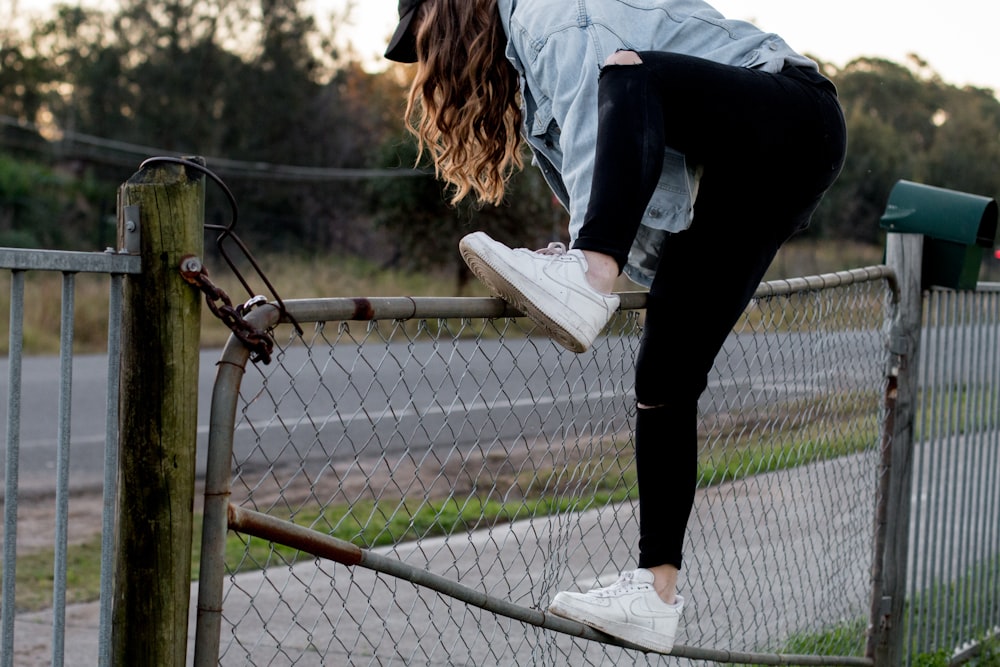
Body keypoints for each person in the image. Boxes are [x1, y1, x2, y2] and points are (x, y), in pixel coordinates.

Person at [385, 0, 847, 654]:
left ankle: (589, 273)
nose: (432, 57)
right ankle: (655, 594)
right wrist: (586, 245)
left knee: (630, 74)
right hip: (748, 171)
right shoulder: (525, 54)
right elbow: (623, 150)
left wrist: (589, 256)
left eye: (427, 35)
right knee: (664, 374)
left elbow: (608, 88)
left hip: (790, 113)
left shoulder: (546, 10)